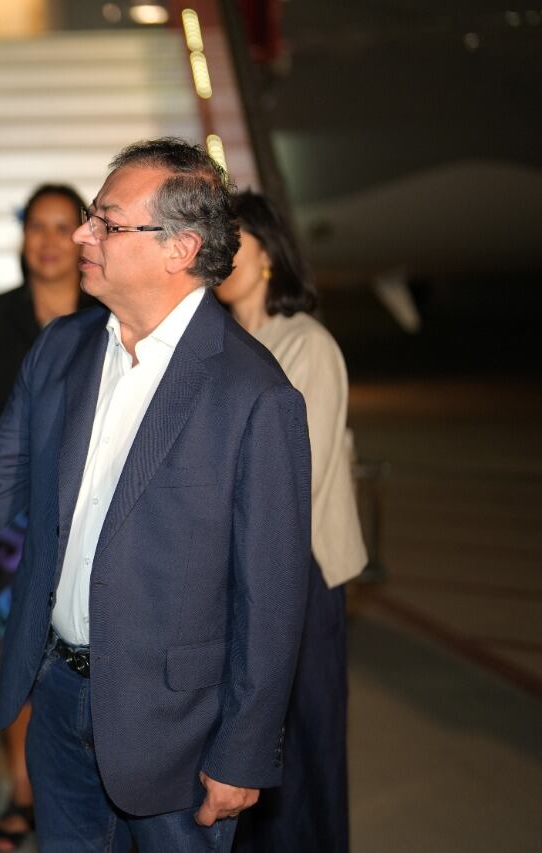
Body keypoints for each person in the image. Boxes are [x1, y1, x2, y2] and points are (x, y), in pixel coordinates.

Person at [0, 138, 312, 852]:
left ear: (178, 248)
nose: (80, 234)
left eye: (106, 221)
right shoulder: (62, 348)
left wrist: (245, 748)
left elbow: (274, 592)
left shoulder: (253, 394)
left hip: (179, 729)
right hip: (57, 693)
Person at [217, 191, 367, 853]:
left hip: (297, 573)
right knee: (249, 749)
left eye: (233, 242)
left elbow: (295, 484)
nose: (217, 255)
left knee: (304, 748)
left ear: (269, 254)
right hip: (234, 570)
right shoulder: (223, 343)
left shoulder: (309, 344)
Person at [0, 182, 97, 851]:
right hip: (17, 524)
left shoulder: (109, 311)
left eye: (60, 226)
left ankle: (91, 791)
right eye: (35, 226)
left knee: (91, 659)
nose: (47, 240)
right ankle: (22, 789)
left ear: (82, 235)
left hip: (99, 521)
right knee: (23, 657)